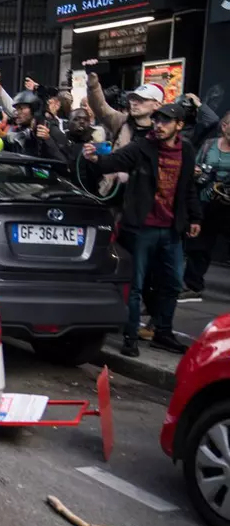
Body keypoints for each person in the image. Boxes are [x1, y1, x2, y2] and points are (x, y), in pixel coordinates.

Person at [83, 102, 203, 356]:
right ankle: (130, 337)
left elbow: (188, 187)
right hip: (142, 227)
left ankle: (163, 332)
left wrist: (195, 218)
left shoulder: (187, 150)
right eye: (157, 121)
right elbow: (114, 161)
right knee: (136, 285)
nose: (159, 126)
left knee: (172, 284)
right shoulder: (142, 147)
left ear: (179, 125)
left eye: (166, 122)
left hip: (172, 228)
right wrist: (95, 158)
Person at [182, 111, 230, 300]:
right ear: (224, 126)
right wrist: (196, 172)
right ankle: (193, 286)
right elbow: (197, 165)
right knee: (199, 246)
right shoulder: (210, 145)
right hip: (207, 201)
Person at [0, 90, 71, 162]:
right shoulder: (18, 133)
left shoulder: (53, 131)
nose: (17, 113)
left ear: (34, 110)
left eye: (21, 108)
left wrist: (47, 140)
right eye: (16, 109)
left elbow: (65, 163)